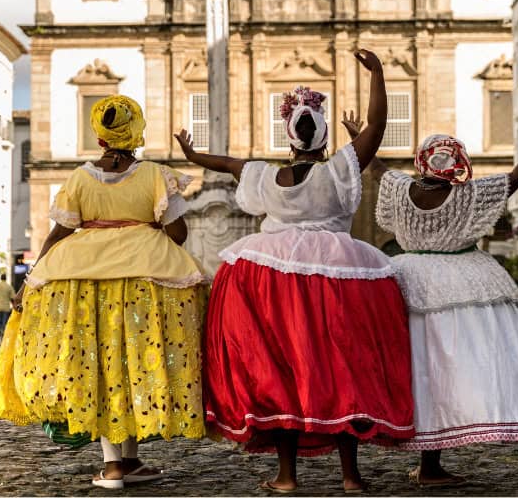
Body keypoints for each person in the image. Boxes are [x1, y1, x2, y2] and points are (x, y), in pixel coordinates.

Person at [175, 50, 414, 493]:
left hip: (271, 280)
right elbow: (377, 128)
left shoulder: (265, 177)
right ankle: (351, 475)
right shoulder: (338, 169)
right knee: (344, 369)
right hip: (340, 277)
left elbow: (225, 164)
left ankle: (286, 477)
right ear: (323, 138)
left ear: (289, 139)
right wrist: (378, 74)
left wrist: (192, 153)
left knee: (282, 370)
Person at [343, 102, 518, 487]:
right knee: (450, 368)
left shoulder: (400, 190)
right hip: (461, 283)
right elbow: (517, 175)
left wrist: (357, 137)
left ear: (421, 163)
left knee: (414, 369)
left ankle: (422, 457)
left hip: (406, 281)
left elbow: (377, 169)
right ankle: (432, 462)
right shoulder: (470, 197)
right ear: (457, 165)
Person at [0, 95, 209, 490]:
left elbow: (59, 232)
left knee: (101, 365)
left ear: (101, 134)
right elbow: (178, 233)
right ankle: (122, 464)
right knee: (131, 365)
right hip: (146, 278)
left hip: (82, 278)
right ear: (135, 128)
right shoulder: (155, 175)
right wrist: (144, 227)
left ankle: (121, 464)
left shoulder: (79, 178)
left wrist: (34, 274)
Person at [0, 273, 14, 343]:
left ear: (1, 278)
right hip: (6, 308)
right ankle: (3, 335)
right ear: (5, 278)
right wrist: (13, 306)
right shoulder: (9, 287)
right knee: (5, 323)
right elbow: (13, 298)